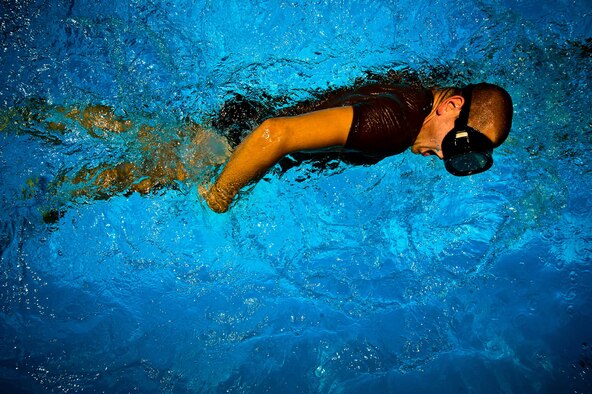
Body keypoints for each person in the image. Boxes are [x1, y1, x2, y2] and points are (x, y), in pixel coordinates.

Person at [201, 82, 514, 213]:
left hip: (247, 117)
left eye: (462, 154)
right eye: (455, 144)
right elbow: (274, 133)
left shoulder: (421, 96)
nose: (445, 155)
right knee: (154, 173)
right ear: (451, 105)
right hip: (231, 144)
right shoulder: (393, 126)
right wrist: (220, 196)